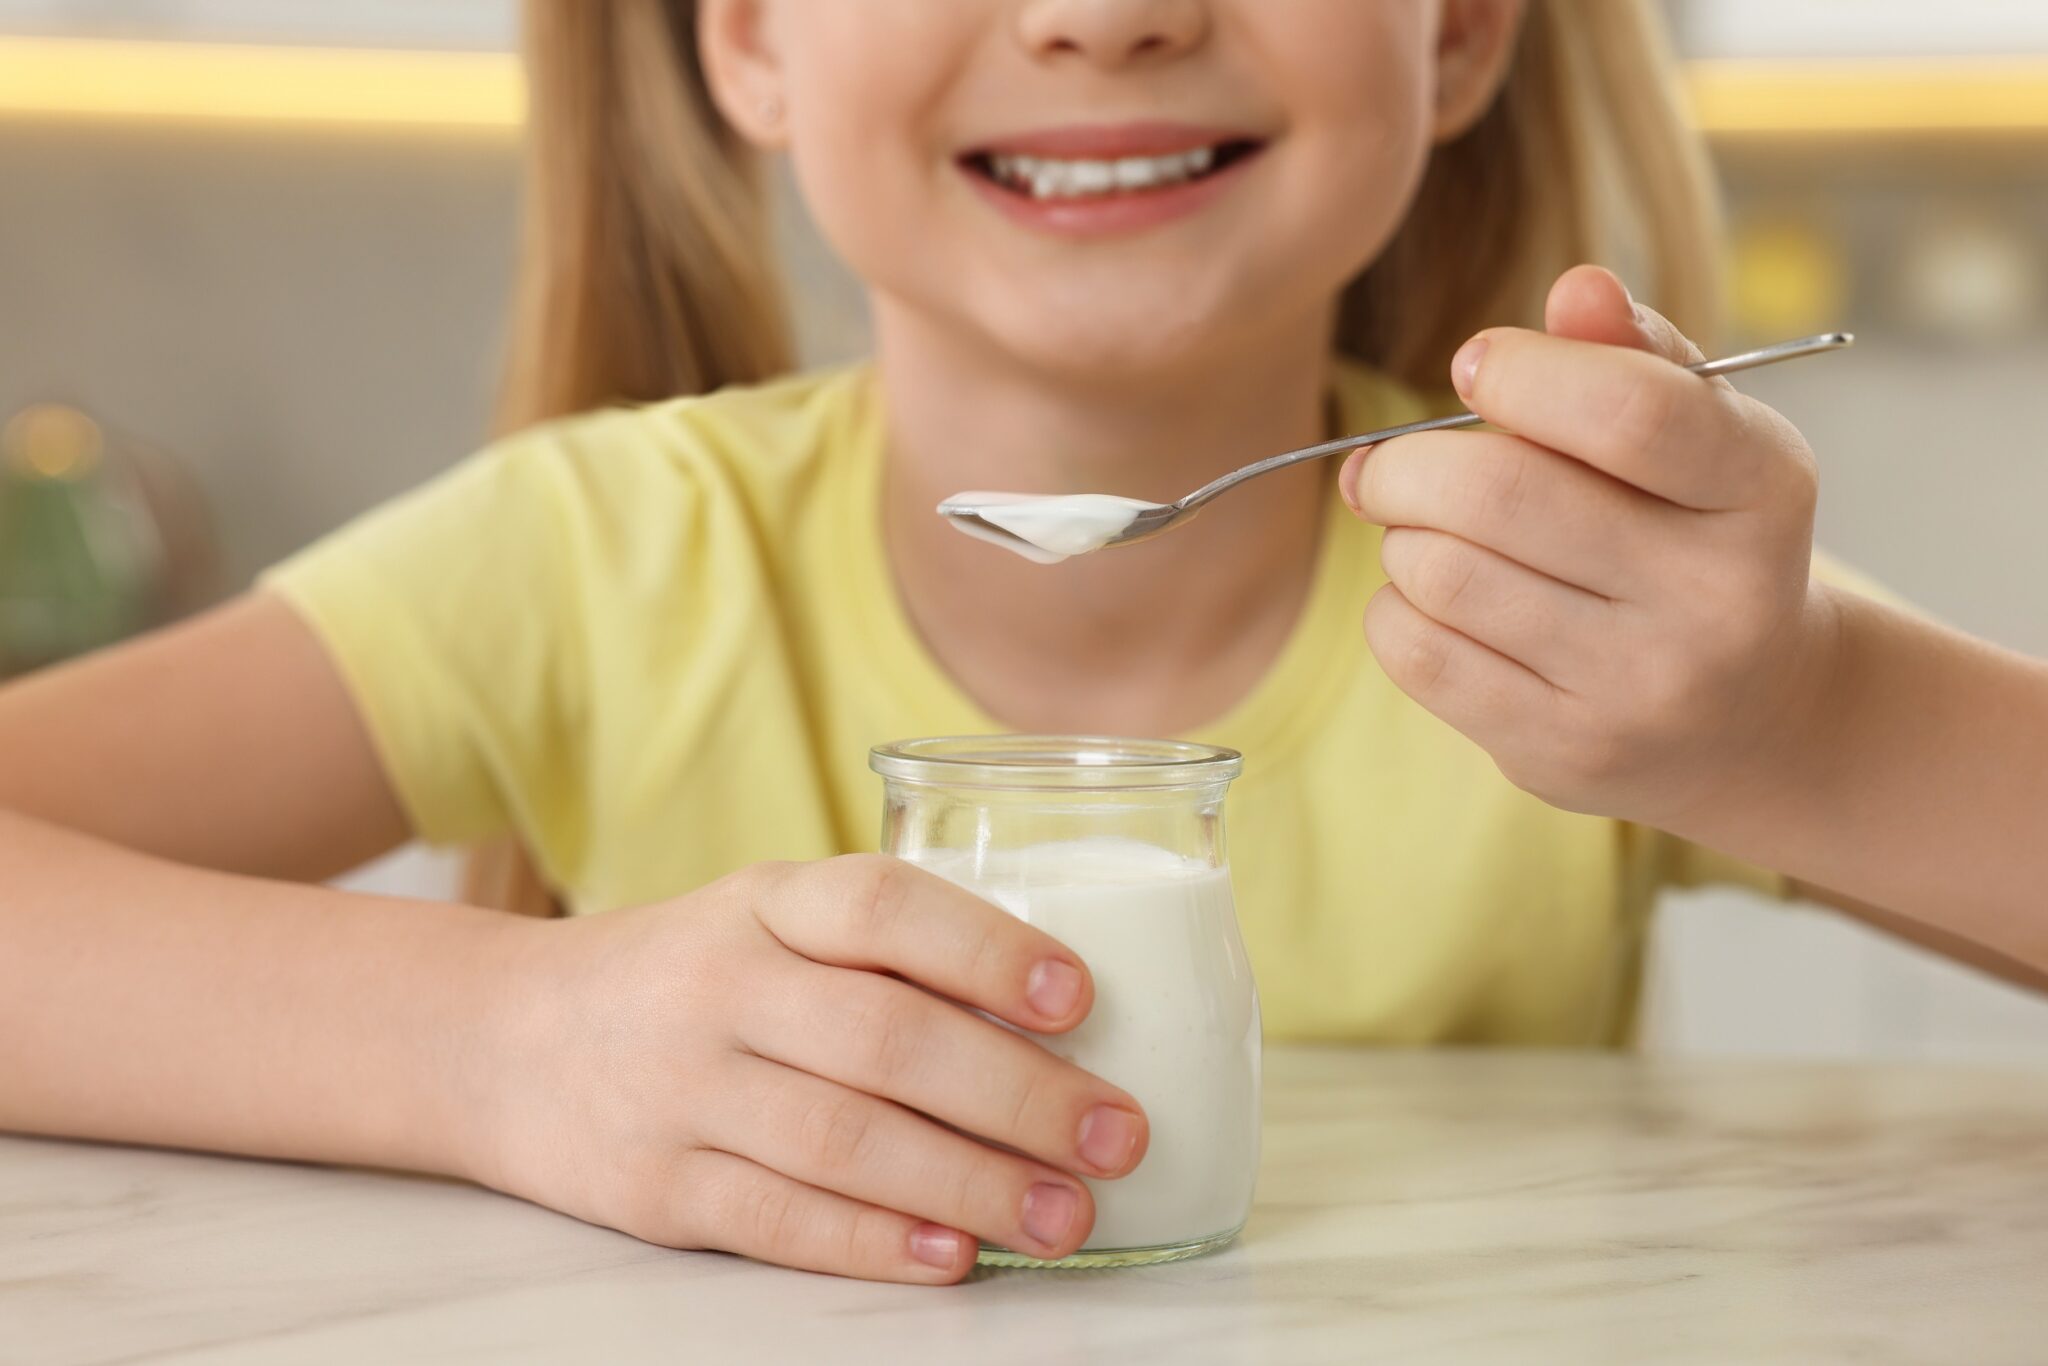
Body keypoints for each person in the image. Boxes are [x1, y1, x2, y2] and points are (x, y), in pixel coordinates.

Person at [3, 0, 2044, 1286]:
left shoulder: (1583, 601)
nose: (1100, 16)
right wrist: (509, 1041)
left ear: (1457, 33)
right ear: (745, 38)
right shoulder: (595, 557)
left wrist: (1798, 725)